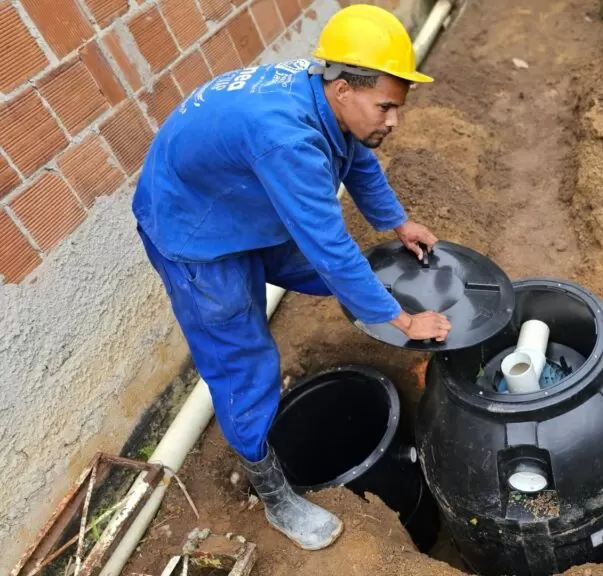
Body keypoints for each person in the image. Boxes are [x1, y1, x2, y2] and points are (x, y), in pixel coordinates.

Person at [131, 4, 451, 551]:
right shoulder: (287, 139)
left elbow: (358, 159)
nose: (393, 120)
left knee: (350, 274)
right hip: (195, 235)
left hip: (239, 201)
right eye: (386, 107)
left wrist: (398, 223)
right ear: (344, 89)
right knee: (244, 361)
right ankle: (275, 494)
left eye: (397, 107)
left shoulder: (326, 96)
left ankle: (375, 304)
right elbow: (329, 247)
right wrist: (402, 321)